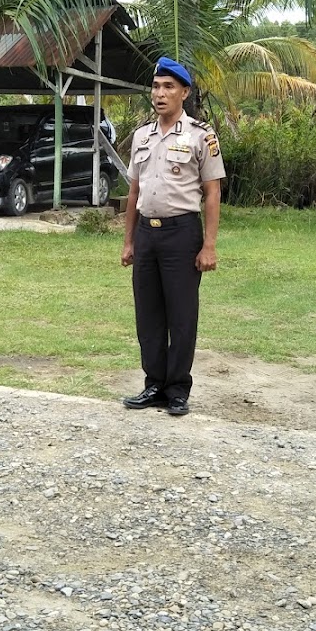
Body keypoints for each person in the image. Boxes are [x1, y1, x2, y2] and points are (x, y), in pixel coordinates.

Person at [120, 57, 226, 416]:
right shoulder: (141, 136)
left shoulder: (201, 135)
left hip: (182, 233)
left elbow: (212, 193)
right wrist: (129, 241)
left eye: (168, 87)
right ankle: (154, 384)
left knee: (181, 315)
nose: (160, 93)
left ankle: (178, 389)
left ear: (184, 92)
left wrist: (208, 245)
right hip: (147, 235)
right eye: (156, 86)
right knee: (147, 314)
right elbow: (134, 192)